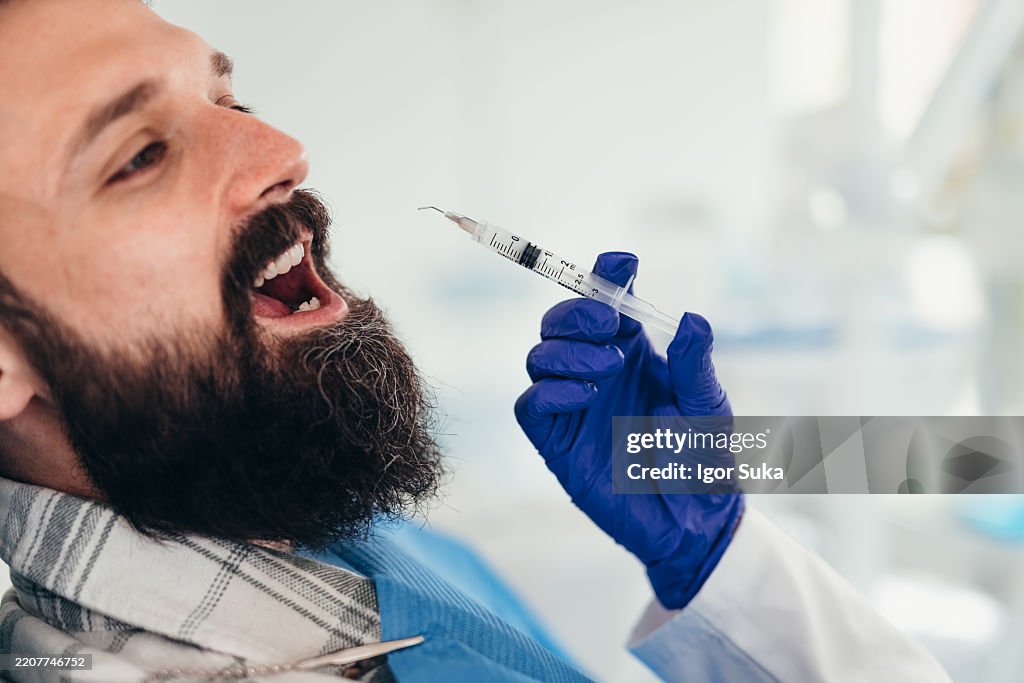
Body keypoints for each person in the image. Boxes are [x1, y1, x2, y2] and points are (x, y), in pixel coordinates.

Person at [0, 1, 952, 681]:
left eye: (230, 104)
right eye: (140, 155)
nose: (282, 150)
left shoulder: (310, 525)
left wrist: (721, 566)